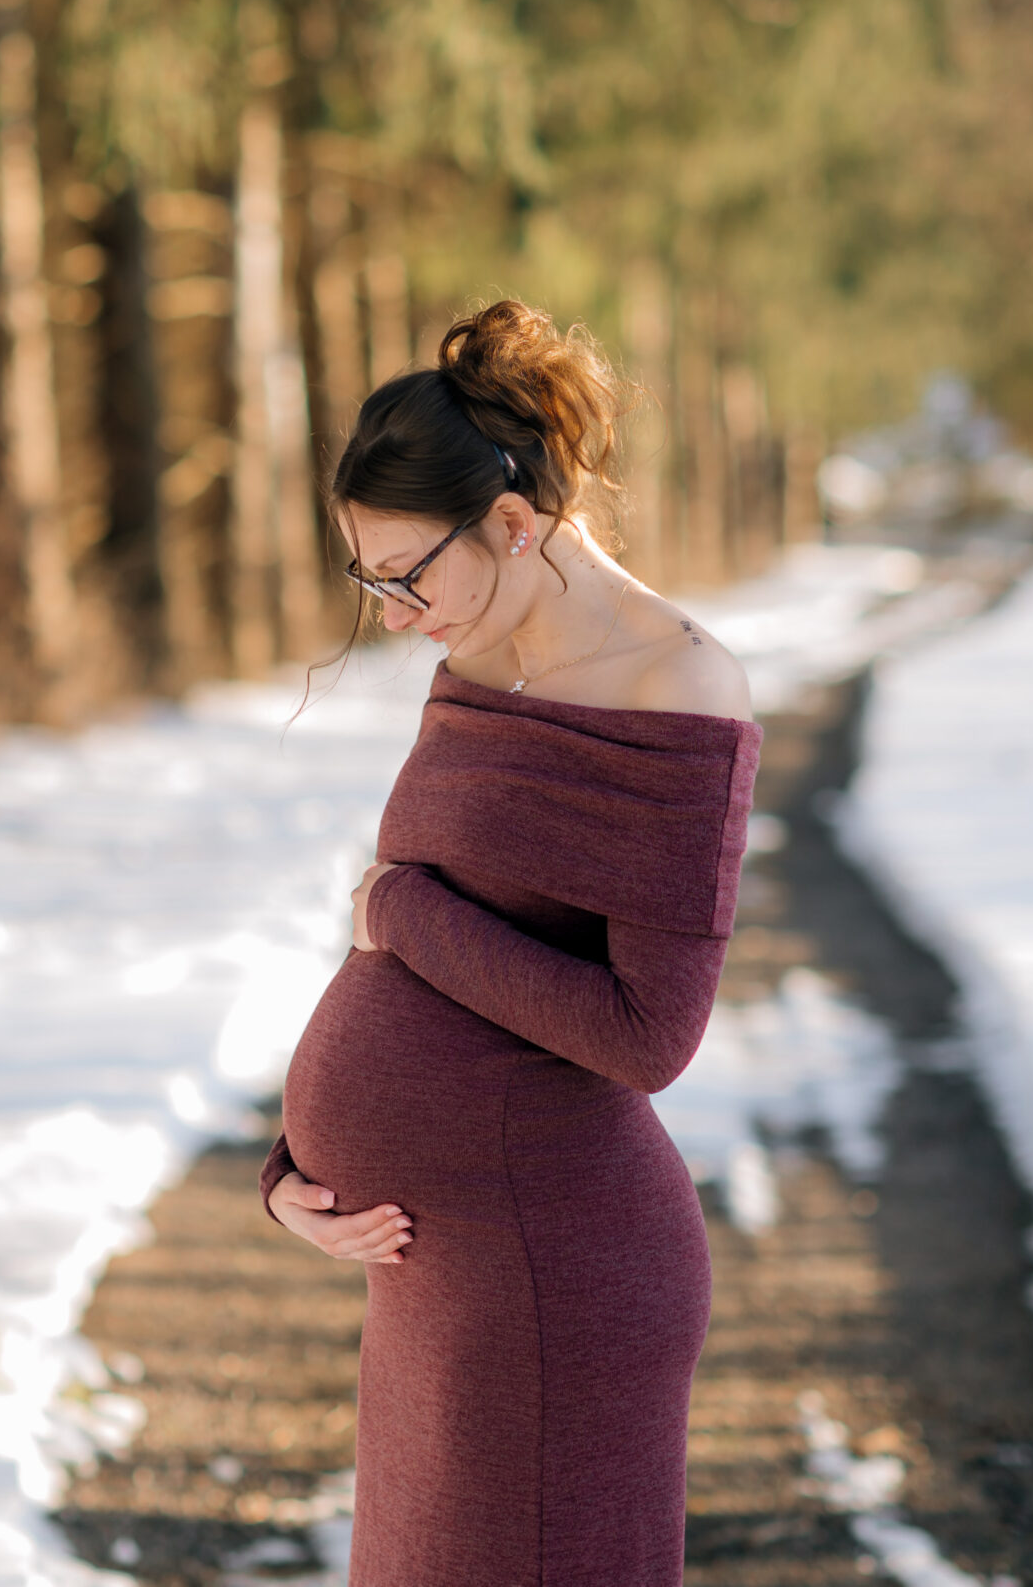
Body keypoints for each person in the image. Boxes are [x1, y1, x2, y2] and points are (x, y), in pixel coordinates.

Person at [259, 299, 761, 1586]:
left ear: (516, 524)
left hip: (558, 1276)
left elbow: (646, 1035)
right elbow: (423, 938)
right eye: (366, 580)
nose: (387, 613)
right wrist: (295, 1167)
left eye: (404, 576)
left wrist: (397, 911)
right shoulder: (481, 646)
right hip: (440, 1278)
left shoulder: (678, 686)